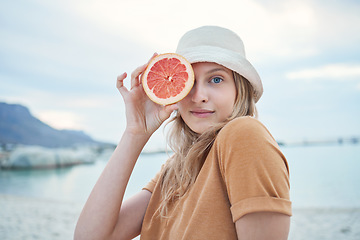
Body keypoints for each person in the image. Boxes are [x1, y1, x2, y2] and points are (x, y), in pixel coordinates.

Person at [74, 25, 292, 240]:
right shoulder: (175, 170)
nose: (198, 96)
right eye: (189, 82)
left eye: (216, 79)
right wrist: (135, 133)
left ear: (240, 90)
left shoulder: (245, 134)